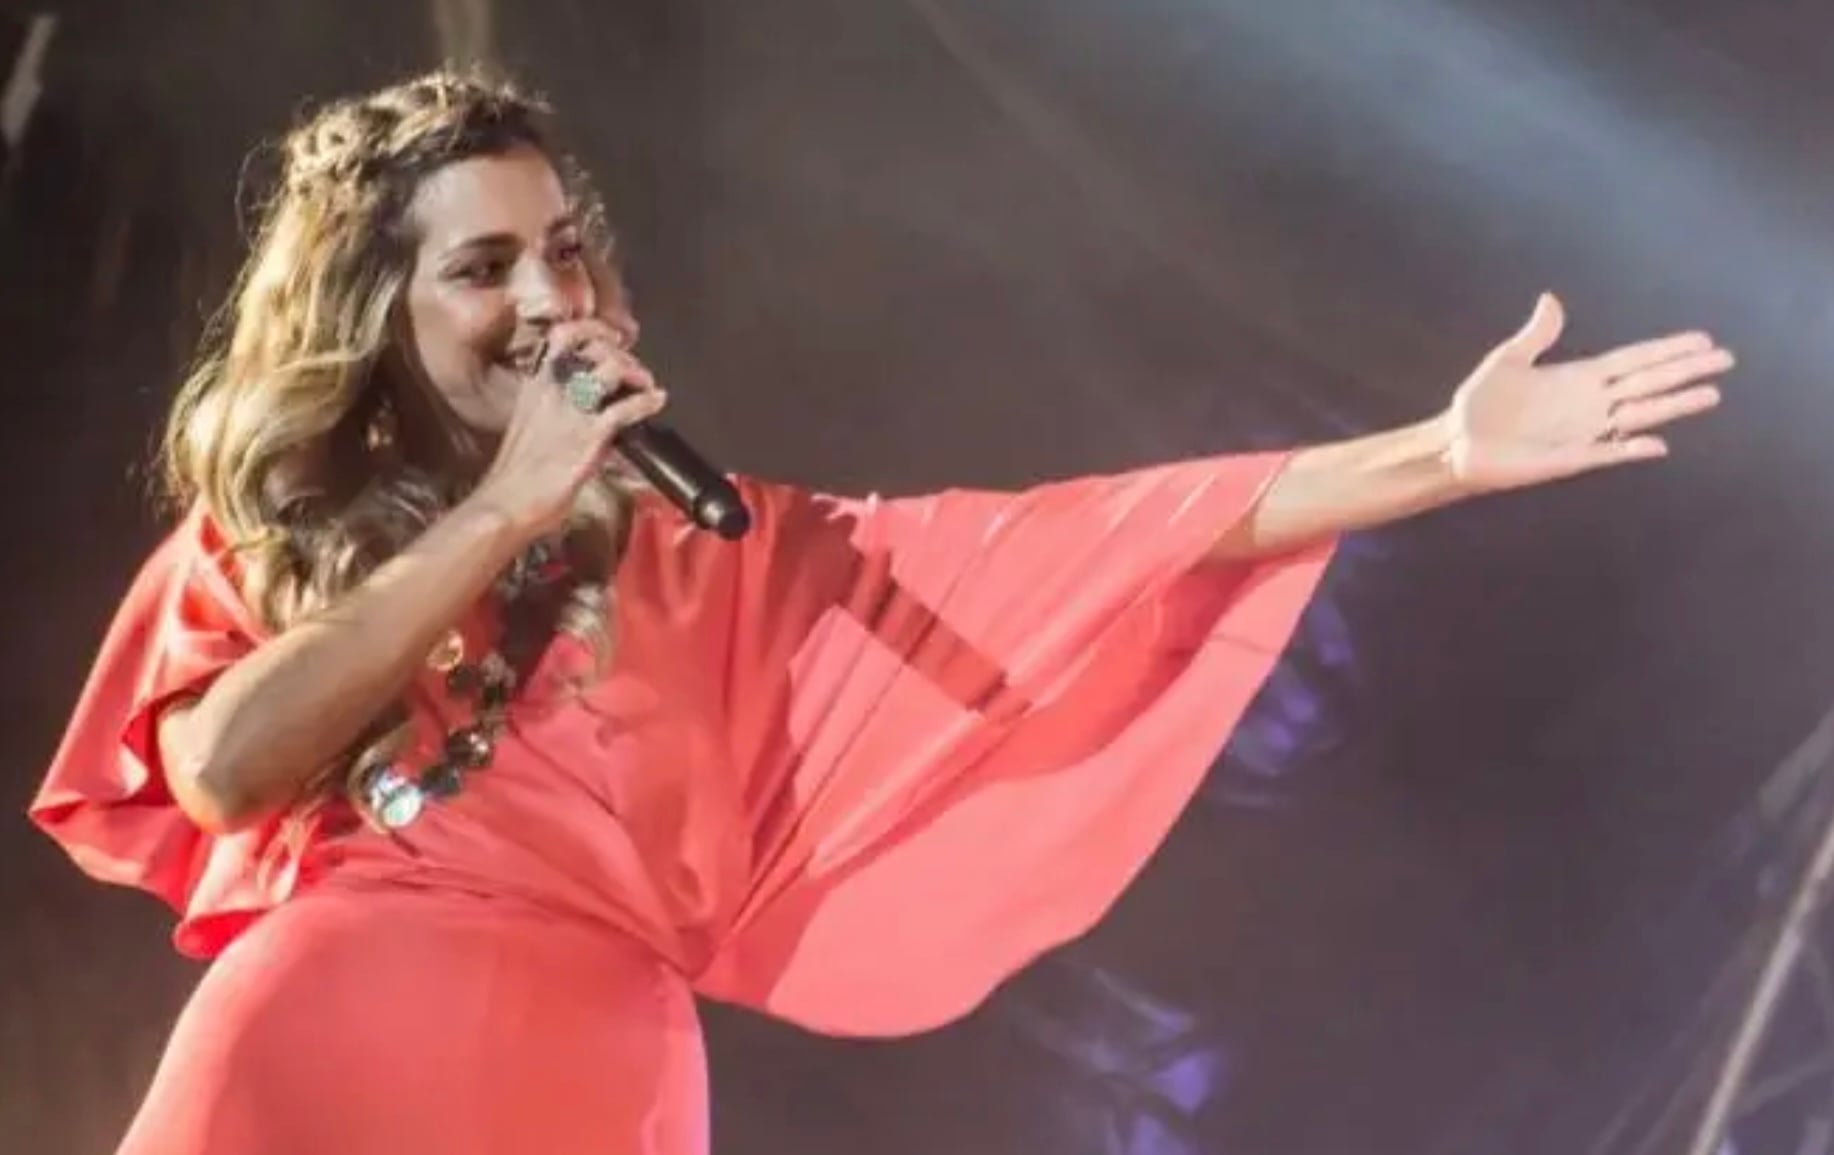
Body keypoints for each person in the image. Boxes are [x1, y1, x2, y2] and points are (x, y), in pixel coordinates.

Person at [28, 69, 1730, 1154]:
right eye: (482, 267)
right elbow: (224, 772)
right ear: (378, 306)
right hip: (324, 1041)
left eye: (564, 250)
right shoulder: (286, 530)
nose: (546, 296)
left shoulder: (732, 551)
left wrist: (1437, 455)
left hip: (596, 1065)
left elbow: (1102, 544)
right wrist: (503, 509)